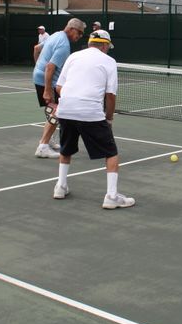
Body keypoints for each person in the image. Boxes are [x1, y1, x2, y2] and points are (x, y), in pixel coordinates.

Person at [53, 29, 134, 209]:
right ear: (104, 46)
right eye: (108, 47)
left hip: (65, 110)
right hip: (90, 112)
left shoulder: (73, 56)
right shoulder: (109, 61)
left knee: (66, 149)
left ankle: (60, 186)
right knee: (111, 153)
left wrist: (72, 99)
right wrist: (109, 119)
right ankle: (111, 196)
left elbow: (59, 87)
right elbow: (110, 95)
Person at [32, 18, 86, 158]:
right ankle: (43, 147)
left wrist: (38, 67)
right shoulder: (64, 45)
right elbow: (50, 67)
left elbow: (36, 49)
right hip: (48, 82)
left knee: (53, 112)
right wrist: (47, 90)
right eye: (79, 33)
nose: (80, 36)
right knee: (57, 113)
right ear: (72, 29)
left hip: (40, 77)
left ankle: (47, 141)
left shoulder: (55, 35)